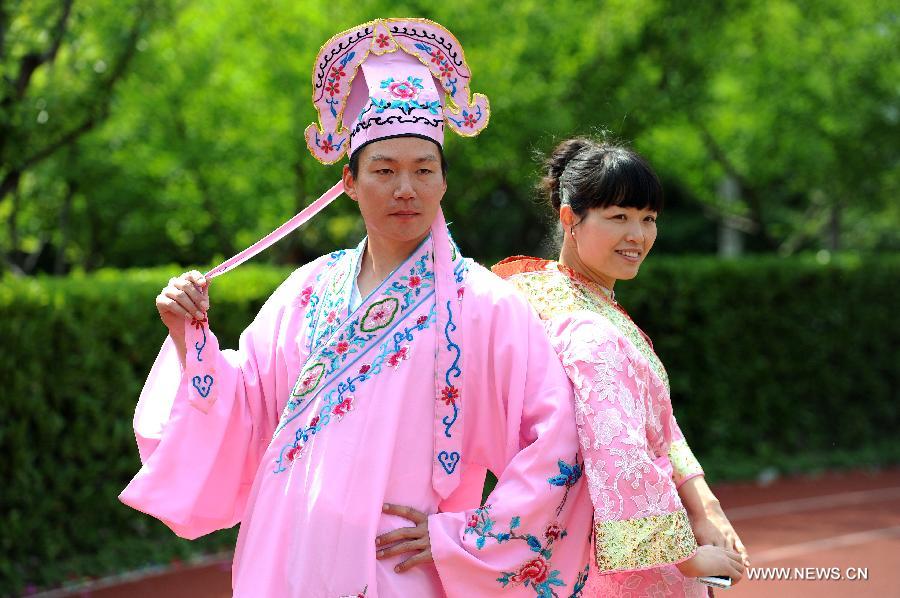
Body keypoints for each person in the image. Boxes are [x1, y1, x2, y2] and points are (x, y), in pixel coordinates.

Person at [119, 19, 592, 597]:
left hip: (399, 568)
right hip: (286, 551)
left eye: (423, 170)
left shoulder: (485, 306)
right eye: (384, 170)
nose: (405, 189)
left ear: (444, 181)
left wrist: (470, 535)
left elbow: (554, 435)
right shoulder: (309, 288)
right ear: (349, 181)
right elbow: (247, 401)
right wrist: (189, 339)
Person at [492, 137, 749, 597]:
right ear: (570, 217)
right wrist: (687, 557)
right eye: (619, 217)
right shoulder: (579, 321)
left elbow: (660, 426)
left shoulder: (574, 300)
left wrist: (705, 506)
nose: (638, 236)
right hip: (610, 549)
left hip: (597, 535)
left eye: (648, 219)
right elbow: (618, 448)